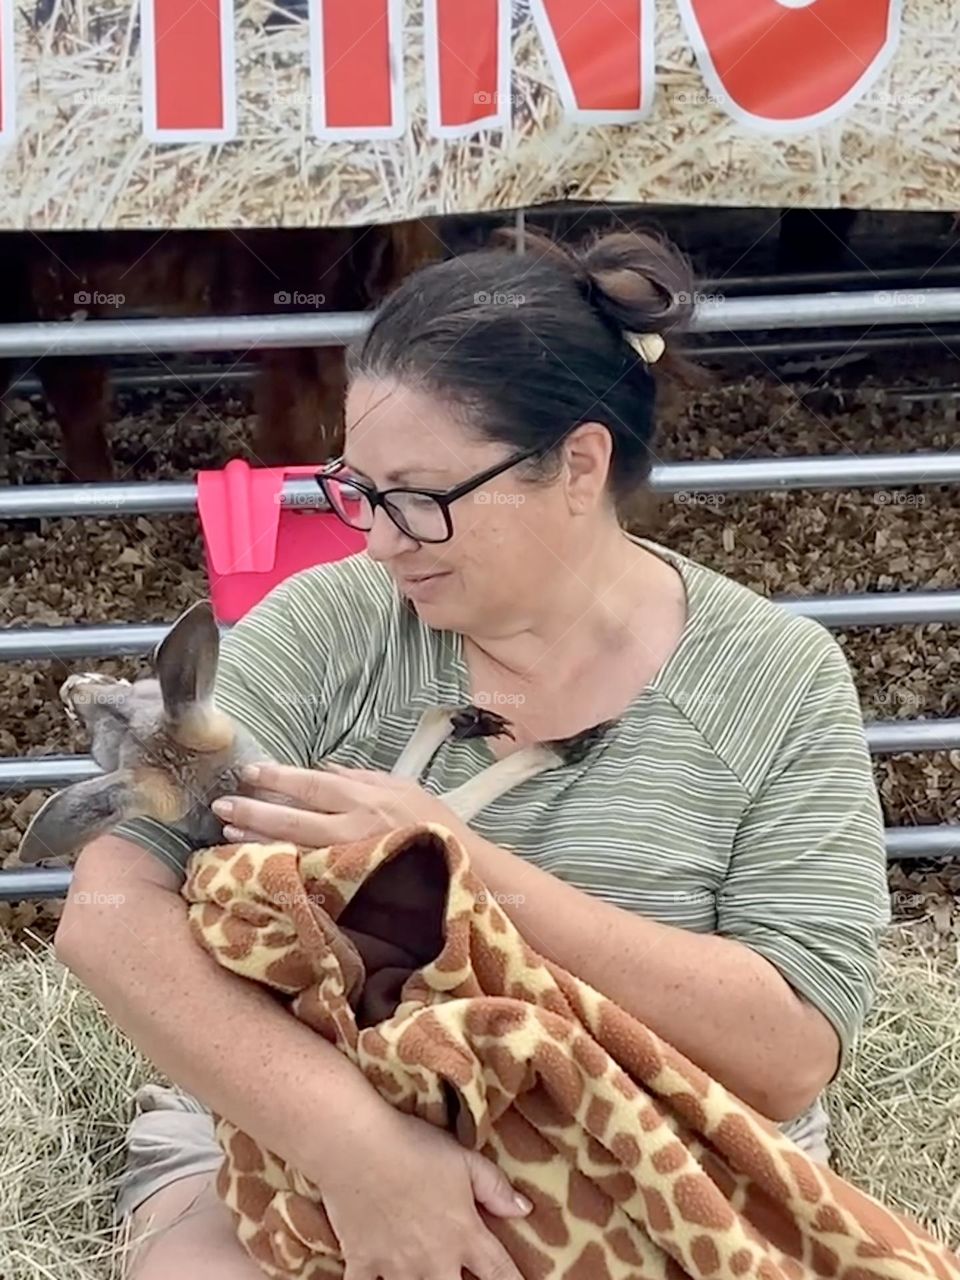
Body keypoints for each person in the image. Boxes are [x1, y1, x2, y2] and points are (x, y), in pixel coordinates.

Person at [54, 226, 891, 1280]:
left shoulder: (774, 679)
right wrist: (356, 1146)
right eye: (359, 489)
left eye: (421, 497)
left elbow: (788, 1053)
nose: (378, 538)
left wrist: (461, 863)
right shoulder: (332, 625)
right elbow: (110, 910)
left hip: (645, 1144)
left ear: (577, 464)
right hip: (292, 1120)